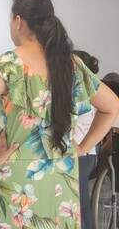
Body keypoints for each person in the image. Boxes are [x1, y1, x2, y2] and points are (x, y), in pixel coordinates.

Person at [0, 0, 119, 228]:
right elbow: (112, 106)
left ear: (18, 21)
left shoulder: (8, 65)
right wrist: (84, 147)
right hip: (62, 177)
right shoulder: (72, 65)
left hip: (18, 179)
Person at [72, 50, 99, 229]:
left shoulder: (82, 94)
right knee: (81, 204)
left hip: (81, 154)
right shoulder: (90, 91)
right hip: (86, 153)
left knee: (79, 205)